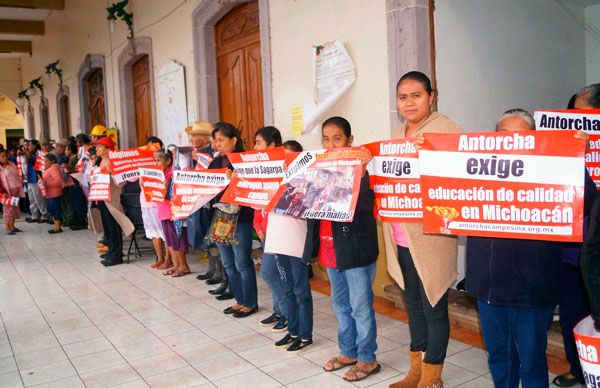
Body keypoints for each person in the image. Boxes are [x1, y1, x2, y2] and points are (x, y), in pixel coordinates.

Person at [467, 108, 596, 388]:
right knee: (499, 358)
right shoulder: (475, 171)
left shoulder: (554, 170)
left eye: (521, 137)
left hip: (533, 292)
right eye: (504, 137)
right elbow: (439, 186)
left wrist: (576, 160)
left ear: (535, 140)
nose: (512, 144)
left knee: (533, 361)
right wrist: (426, 155)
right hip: (488, 289)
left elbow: (587, 204)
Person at [384, 71, 461, 388]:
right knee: (413, 305)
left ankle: (432, 376)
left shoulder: (447, 129)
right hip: (401, 235)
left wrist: (429, 151)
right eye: (403, 97)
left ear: (432, 96)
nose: (409, 102)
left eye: (416, 95)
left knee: (433, 305)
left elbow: (458, 179)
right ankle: (415, 370)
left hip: (431, 238)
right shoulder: (396, 132)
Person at [305, 116, 380, 382]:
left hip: (355, 251)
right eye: (326, 139)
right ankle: (348, 351)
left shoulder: (362, 172)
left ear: (350, 140)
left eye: (337, 138)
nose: (331, 144)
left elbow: (365, 210)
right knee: (340, 304)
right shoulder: (319, 171)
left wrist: (358, 173)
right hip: (330, 250)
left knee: (360, 306)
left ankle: (367, 358)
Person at [553, 92, 596, 387]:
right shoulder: (564, 146)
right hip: (571, 250)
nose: (575, 117)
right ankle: (577, 368)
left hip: (596, 252)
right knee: (571, 311)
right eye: (572, 111)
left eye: (581, 111)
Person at [207, 122, 257, 318]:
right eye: (216, 140)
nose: (218, 144)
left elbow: (249, 190)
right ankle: (239, 300)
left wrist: (235, 180)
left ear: (234, 140)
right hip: (220, 217)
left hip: (240, 218)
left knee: (242, 262)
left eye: (222, 140)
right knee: (228, 263)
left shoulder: (244, 162)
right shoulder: (215, 161)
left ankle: (250, 302)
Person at [268, 139, 314, 352]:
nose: (286, 162)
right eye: (283, 158)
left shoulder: (308, 181)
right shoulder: (274, 180)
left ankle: (305, 335)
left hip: (297, 242)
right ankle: (293, 331)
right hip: (278, 242)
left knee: (301, 291)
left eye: (291, 158)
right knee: (287, 289)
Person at [252, 126, 288, 332]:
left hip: (280, 231)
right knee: (273, 272)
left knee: (270, 273)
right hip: (265, 229)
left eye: (258, 142)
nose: (255, 147)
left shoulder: (282, 168)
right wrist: (258, 224)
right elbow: (258, 200)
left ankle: (287, 313)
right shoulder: (260, 170)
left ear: (272, 146)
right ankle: (279, 311)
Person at [185, 121, 222, 285]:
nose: (192, 138)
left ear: (206, 137)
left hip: (210, 201)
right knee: (205, 235)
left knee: (211, 236)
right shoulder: (195, 153)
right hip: (200, 199)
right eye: (191, 135)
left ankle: (219, 272)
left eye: (195, 135)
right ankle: (212, 269)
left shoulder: (212, 154)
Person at [156, 148, 190, 277]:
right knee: (169, 240)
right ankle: (176, 265)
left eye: (158, 160)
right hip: (162, 210)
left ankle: (183, 265)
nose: (156, 164)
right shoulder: (159, 174)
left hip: (172, 212)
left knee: (177, 239)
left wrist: (166, 185)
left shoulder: (173, 173)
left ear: (169, 161)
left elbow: (176, 192)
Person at [94, 136, 127, 266]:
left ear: (108, 149)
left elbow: (122, 182)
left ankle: (117, 255)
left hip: (112, 199)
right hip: (102, 197)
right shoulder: (99, 162)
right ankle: (111, 251)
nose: (96, 148)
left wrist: (112, 173)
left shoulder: (114, 162)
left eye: (100, 146)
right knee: (107, 227)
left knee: (113, 227)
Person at [24, 140, 50, 224]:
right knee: (31, 198)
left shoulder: (39, 154)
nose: (28, 147)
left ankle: (44, 215)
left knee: (39, 198)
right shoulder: (27, 155)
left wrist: (30, 157)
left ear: (35, 146)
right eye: (28, 146)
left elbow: (38, 165)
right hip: (29, 178)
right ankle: (34, 215)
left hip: (36, 178)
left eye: (30, 145)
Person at [0, 149, 25, 235]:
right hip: (6, 192)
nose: (5, 157)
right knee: (7, 210)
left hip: (16, 189)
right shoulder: (0, 167)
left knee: (14, 209)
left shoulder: (12, 164)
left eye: (6, 155)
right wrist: (3, 192)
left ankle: (13, 226)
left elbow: (18, 175)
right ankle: (8, 228)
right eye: (2, 156)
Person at [65, 144, 88, 230]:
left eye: (66, 150)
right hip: (72, 184)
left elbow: (77, 171)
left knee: (79, 204)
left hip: (77, 184)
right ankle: (77, 221)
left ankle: (81, 222)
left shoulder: (76, 159)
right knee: (74, 204)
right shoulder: (70, 159)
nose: (65, 152)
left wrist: (68, 170)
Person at [42, 153, 64, 234]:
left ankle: (57, 227)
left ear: (53, 161)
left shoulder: (54, 168)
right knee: (51, 209)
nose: (45, 163)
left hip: (54, 193)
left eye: (47, 161)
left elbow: (58, 182)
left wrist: (45, 183)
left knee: (55, 210)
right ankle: (57, 225)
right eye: (44, 161)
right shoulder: (48, 168)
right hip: (49, 193)